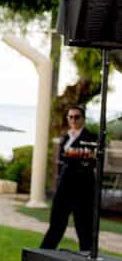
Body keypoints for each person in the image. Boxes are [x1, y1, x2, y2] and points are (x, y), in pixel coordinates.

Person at [40, 106, 97, 253]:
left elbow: (90, 161)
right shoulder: (66, 137)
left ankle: (88, 258)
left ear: (83, 119)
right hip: (64, 186)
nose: (73, 120)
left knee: (84, 226)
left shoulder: (91, 138)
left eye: (77, 117)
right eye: (70, 117)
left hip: (83, 188)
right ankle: (44, 254)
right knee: (56, 223)